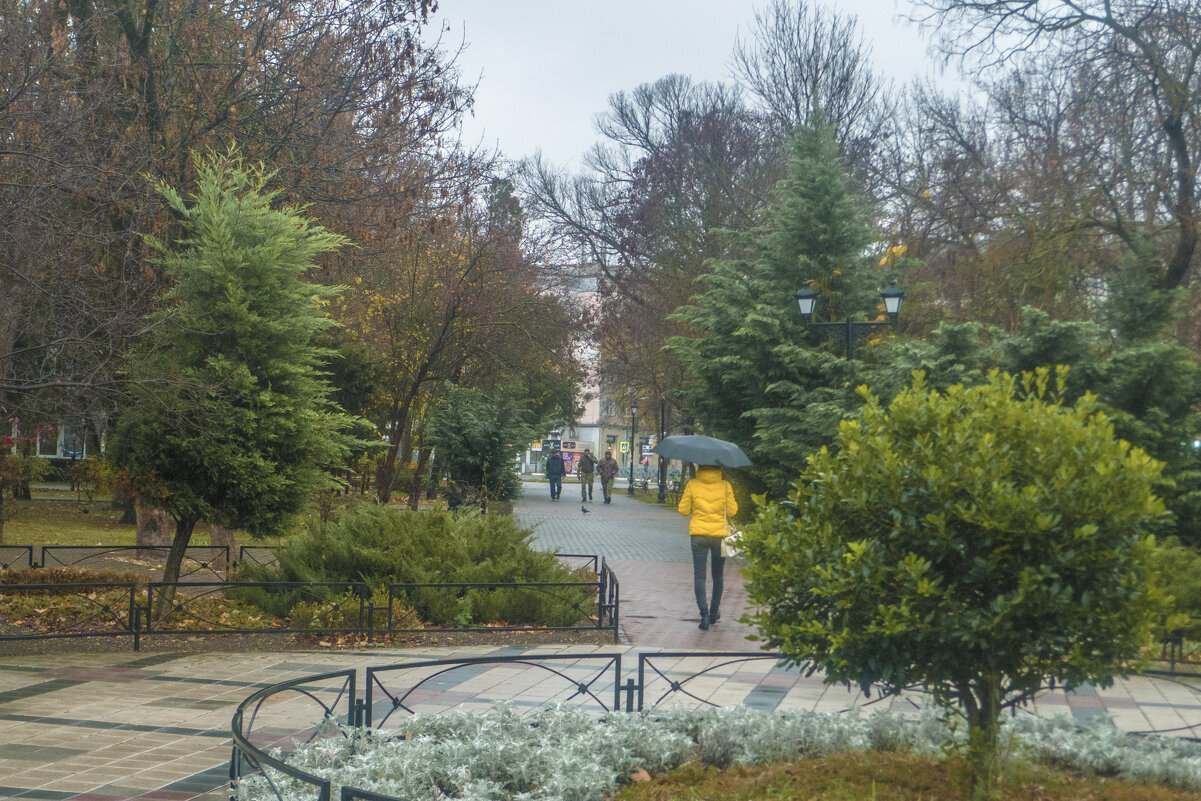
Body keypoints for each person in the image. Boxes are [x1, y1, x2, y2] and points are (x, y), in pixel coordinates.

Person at [677, 465, 737, 630]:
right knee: (718, 575)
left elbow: (683, 510)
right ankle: (714, 611)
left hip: (698, 535)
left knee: (699, 575)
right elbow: (732, 511)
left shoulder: (692, 484)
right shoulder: (725, 485)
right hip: (720, 536)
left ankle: (703, 614)